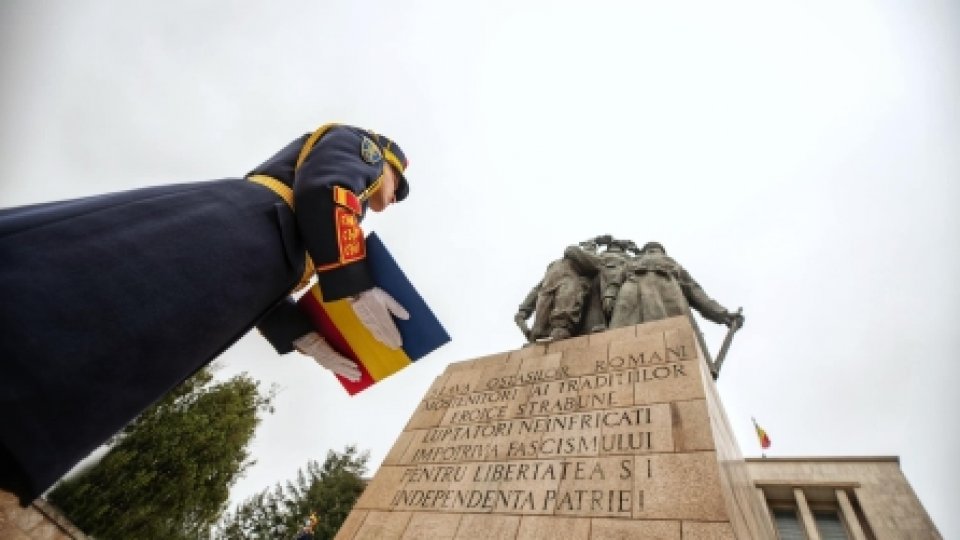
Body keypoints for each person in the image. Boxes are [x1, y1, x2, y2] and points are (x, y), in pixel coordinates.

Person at [0, 123, 411, 504]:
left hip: (247, 257)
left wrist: (304, 336)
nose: (393, 199)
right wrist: (355, 284)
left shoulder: (318, 229)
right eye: (398, 185)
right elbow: (326, 189)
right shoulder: (366, 150)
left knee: (106, 350)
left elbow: (276, 273)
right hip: (239, 229)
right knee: (88, 299)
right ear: (386, 159)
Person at [608, 241, 743, 329]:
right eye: (648, 250)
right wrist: (609, 296)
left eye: (655, 250)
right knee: (619, 328)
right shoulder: (630, 262)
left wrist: (722, 314)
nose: (652, 252)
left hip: (667, 290)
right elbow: (615, 281)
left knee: (673, 332)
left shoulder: (673, 264)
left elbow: (693, 289)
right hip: (632, 288)